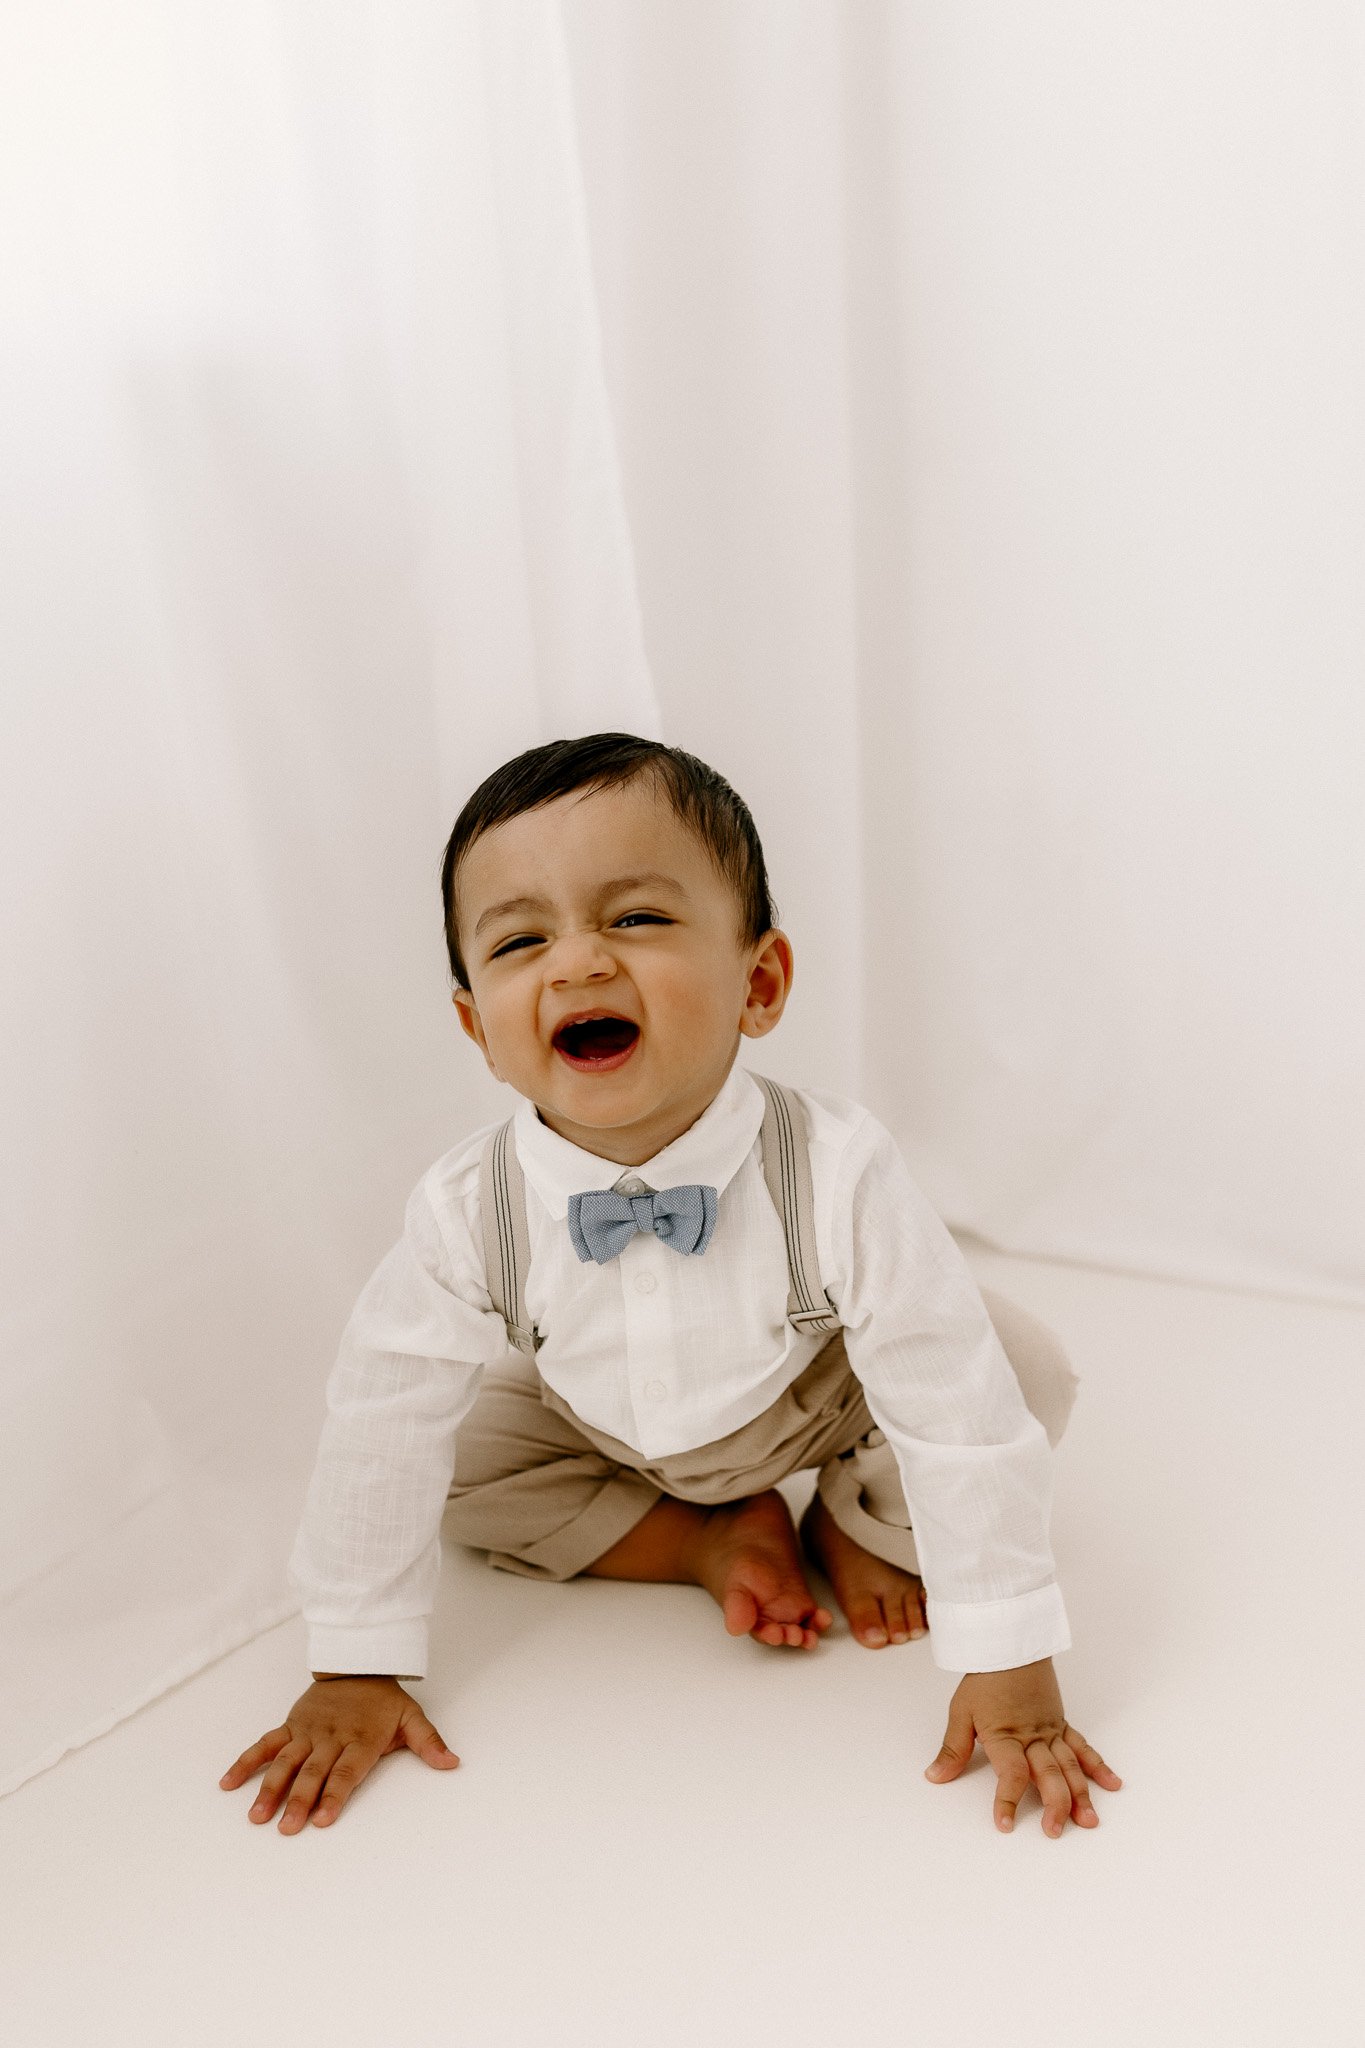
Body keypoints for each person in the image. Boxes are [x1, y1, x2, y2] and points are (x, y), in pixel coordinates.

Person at [220, 733, 1123, 1839]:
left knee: (1018, 1369)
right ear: (479, 1031)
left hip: (810, 1398)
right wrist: (356, 1659)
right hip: (594, 1425)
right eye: (520, 939)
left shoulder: (835, 1168)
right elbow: (381, 1417)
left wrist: (1007, 1651)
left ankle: (859, 1516)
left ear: (760, 980)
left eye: (636, 918)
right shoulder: (468, 1205)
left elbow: (946, 1393)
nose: (579, 962)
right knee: (434, 1457)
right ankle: (702, 1535)